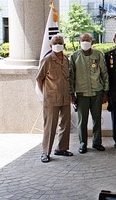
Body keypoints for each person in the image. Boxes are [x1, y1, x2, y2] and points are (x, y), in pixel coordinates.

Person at [36, 34, 73, 163]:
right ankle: (46, 152)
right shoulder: (46, 60)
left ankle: (62, 148)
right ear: (51, 46)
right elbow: (39, 79)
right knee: (50, 126)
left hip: (65, 97)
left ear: (64, 45)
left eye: (60, 43)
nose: (58, 45)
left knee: (65, 124)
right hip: (51, 99)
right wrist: (45, 93)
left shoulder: (66, 59)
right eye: (55, 43)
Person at [70, 33, 109, 154]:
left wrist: (105, 91)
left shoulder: (98, 54)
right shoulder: (74, 56)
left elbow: (104, 73)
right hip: (82, 94)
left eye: (88, 40)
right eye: (83, 40)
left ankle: (97, 143)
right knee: (82, 121)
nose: (85, 42)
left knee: (97, 119)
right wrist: (72, 93)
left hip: (97, 92)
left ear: (92, 42)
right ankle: (83, 144)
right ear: (79, 42)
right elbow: (71, 76)